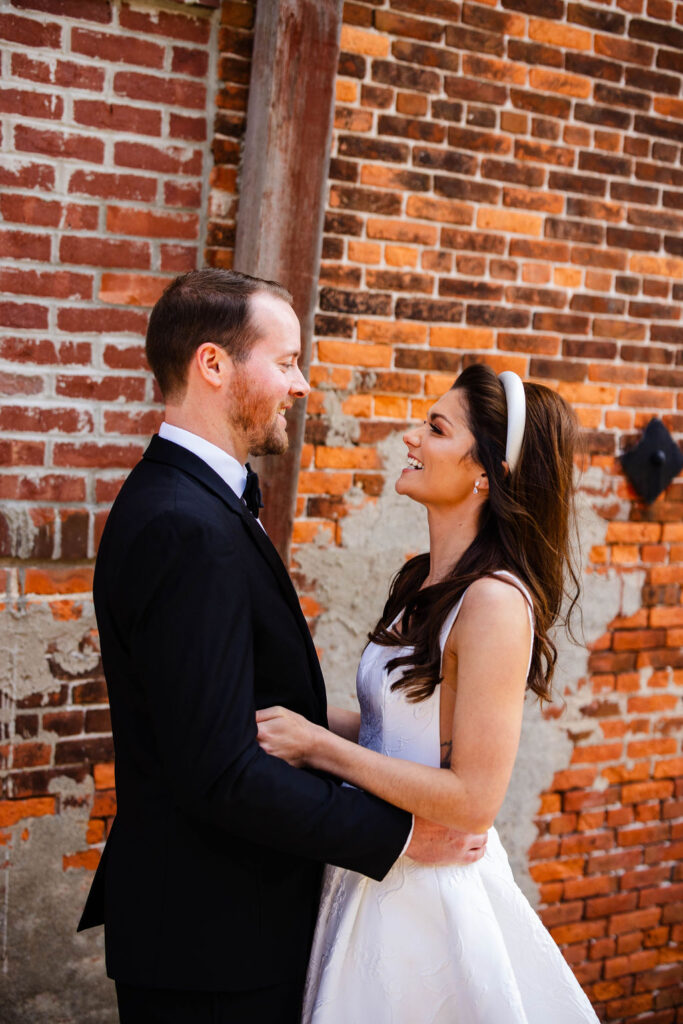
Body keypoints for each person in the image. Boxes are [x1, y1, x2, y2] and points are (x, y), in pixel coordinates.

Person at [77, 268, 487, 1024]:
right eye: (287, 360)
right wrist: (400, 836)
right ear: (213, 365)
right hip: (212, 943)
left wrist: (368, 737)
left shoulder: (194, 504)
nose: (301, 385)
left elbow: (241, 713)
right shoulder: (184, 526)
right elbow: (220, 771)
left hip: (221, 925)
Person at [256, 363, 600, 1023]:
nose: (411, 437)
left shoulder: (495, 602)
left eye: (435, 428)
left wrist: (319, 749)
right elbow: (393, 731)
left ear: (486, 472)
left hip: (428, 896)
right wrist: (280, 712)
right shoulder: (420, 579)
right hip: (372, 867)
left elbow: (473, 800)